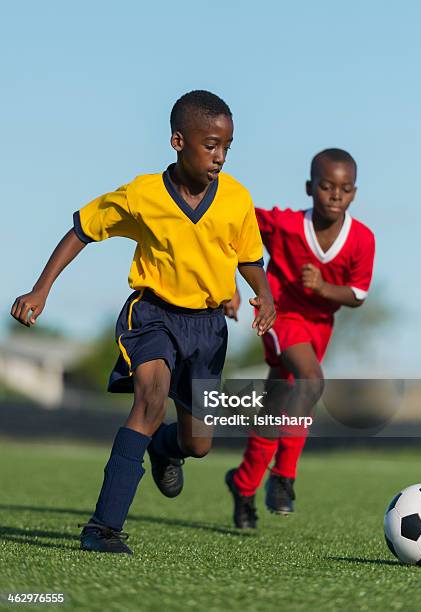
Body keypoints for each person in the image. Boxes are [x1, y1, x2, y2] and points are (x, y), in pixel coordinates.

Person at [11, 90, 276, 554]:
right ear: (178, 141)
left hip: (209, 328)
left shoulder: (236, 199)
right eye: (210, 145)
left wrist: (265, 294)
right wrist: (41, 288)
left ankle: (163, 447)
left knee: (199, 444)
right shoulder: (143, 194)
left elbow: (250, 258)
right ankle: (103, 528)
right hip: (151, 316)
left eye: (227, 147)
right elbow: (81, 230)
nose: (219, 157)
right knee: (150, 403)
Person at [224, 148, 375, 528]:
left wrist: (324, 287)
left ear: (354, 193)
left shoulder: (362, 239)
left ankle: (243, 485)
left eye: (344, 188)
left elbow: (357, 295)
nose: (335, 195)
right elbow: (232, 225)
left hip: (318, 328)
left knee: (277, 407)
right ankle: (284, 476)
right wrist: (230, 284)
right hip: (279, 317)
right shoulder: (285, 225)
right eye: (326, 186)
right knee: (310, 380)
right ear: (310, 188)